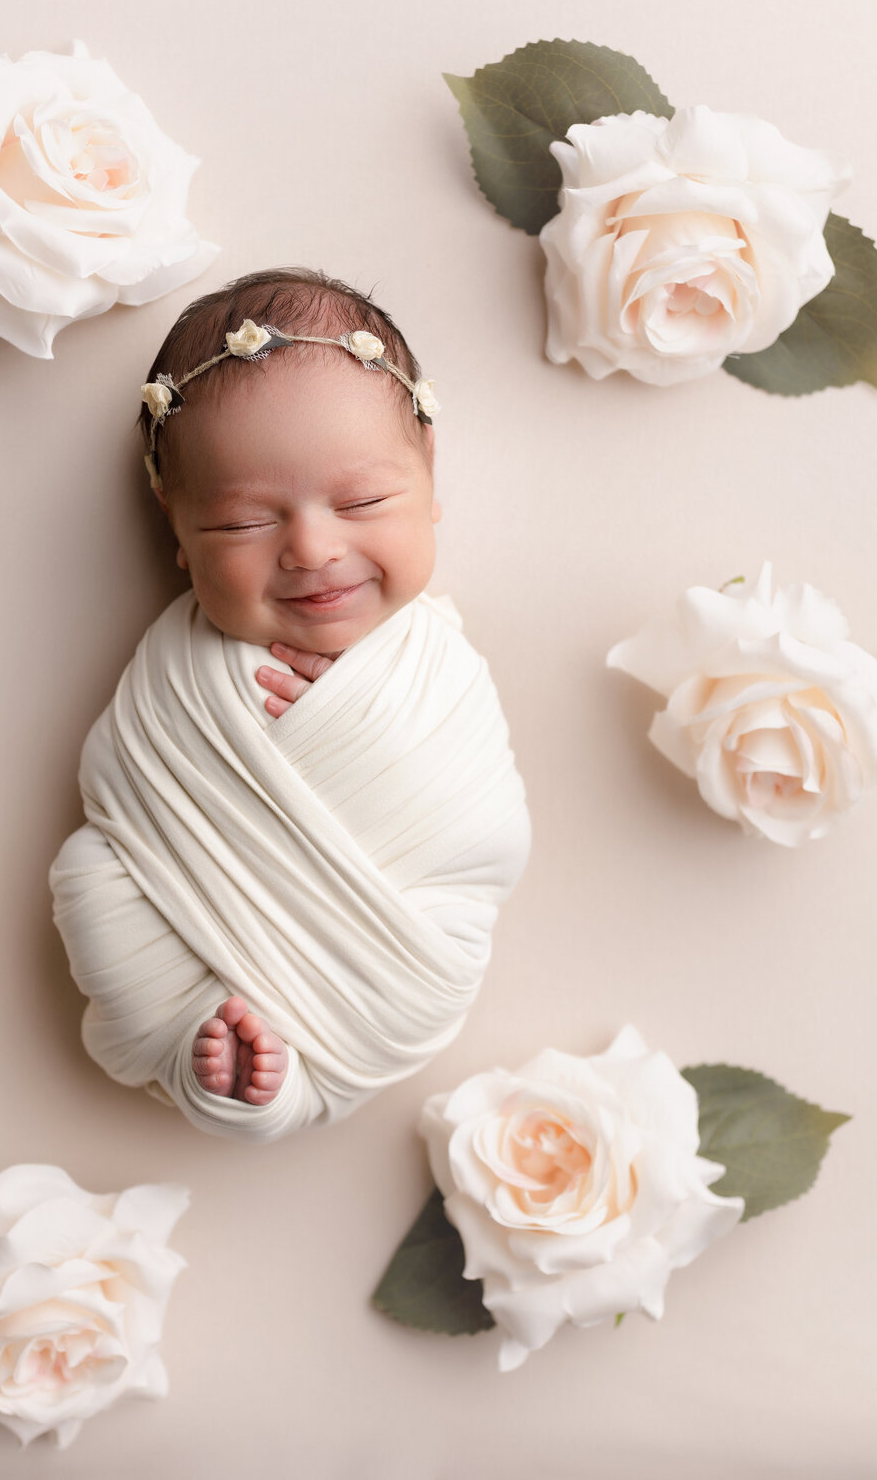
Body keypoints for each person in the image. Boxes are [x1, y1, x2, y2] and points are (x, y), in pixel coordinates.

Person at [50, 268, 530, 1141]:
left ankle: (269, 1081)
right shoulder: (180, 667)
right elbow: (122, 782)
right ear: (178, 534)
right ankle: (216, 1061)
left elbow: (482, 830)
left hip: (402, 951)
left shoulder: (434, 664)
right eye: (241, 524)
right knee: (91, 875)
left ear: (428, 475)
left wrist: (365, 722)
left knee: (463, 897)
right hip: (186, 915)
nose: (312, 549)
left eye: (364, 502)